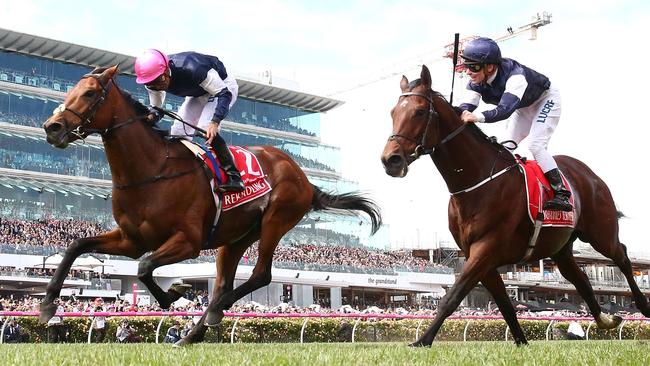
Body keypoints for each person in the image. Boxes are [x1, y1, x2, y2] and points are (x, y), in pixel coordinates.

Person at [456, 37, 572, 212]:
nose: (469, 72)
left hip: (545, 100)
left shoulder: (515, 76)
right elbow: (466, 107)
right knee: (505, 148)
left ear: (490, 67)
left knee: (535, 144)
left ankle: (562, 194)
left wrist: (477, 117)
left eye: (474, 67)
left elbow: (504, 110)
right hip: (523, 106)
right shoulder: (476, 81)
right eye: (467, 66)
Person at [134, 49, 244, 193]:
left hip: (223, 88)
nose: (158, 87)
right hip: (197, 93)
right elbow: (157, 109)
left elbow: (224, 94)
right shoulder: (152, 81)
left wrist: (215, 121)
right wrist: (150, 117)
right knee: (178, 132)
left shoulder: (192, 67)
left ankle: (235, 177)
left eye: (160, 81)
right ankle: (179, 172)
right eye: (152, 85)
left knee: (205, 129)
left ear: (167, 70)